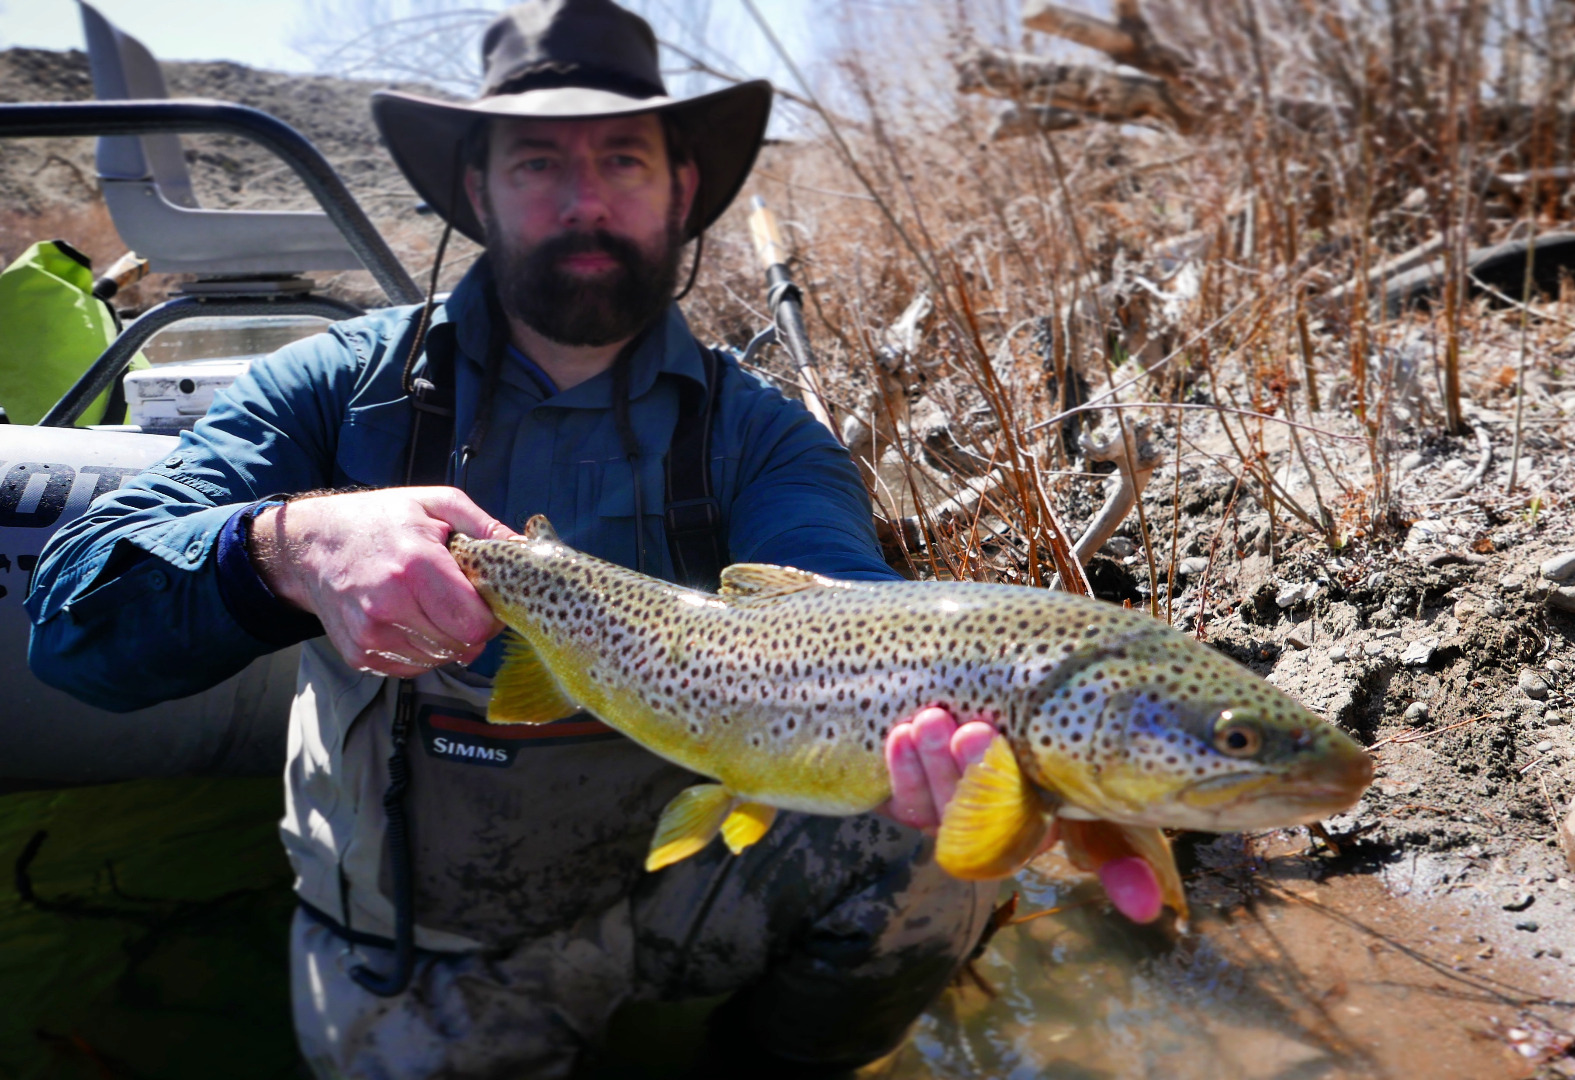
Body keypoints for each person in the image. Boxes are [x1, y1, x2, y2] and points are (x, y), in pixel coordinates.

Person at [26, 1, 1158, 1075]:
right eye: (537, 161)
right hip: (434, 926)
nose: (583, 197)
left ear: (682, 190)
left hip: (677, 881)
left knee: (935, 866)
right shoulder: (329, 390)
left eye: (622, 158)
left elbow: (849, 606)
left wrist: (990, 742)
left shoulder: (765, 438)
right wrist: (286, 545)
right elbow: (74, 627)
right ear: (477, 189)